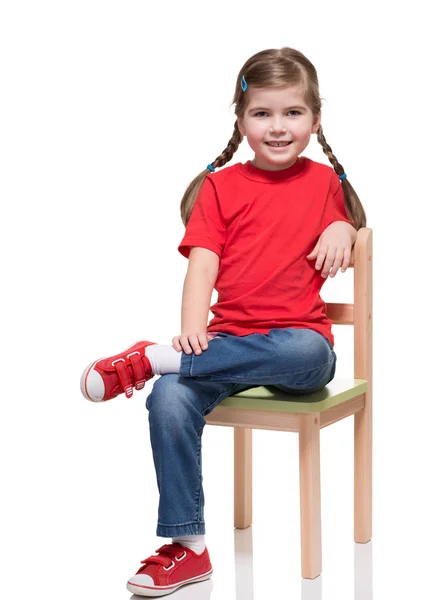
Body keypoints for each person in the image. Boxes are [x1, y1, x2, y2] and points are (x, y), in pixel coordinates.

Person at [80, 46, 367, 597]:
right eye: (262, 113)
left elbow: (348, 225)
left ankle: (154, 359)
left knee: (309, 355)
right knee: (166, 399)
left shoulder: (325, 184)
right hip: (225, 343)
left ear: (315, 120)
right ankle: (188, 548)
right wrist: (191, 325)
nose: (277, 127)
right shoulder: (221, 188)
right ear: (240, 120)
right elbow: (203, 263)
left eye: (292, 113)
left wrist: (345, 229)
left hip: (296, 347)